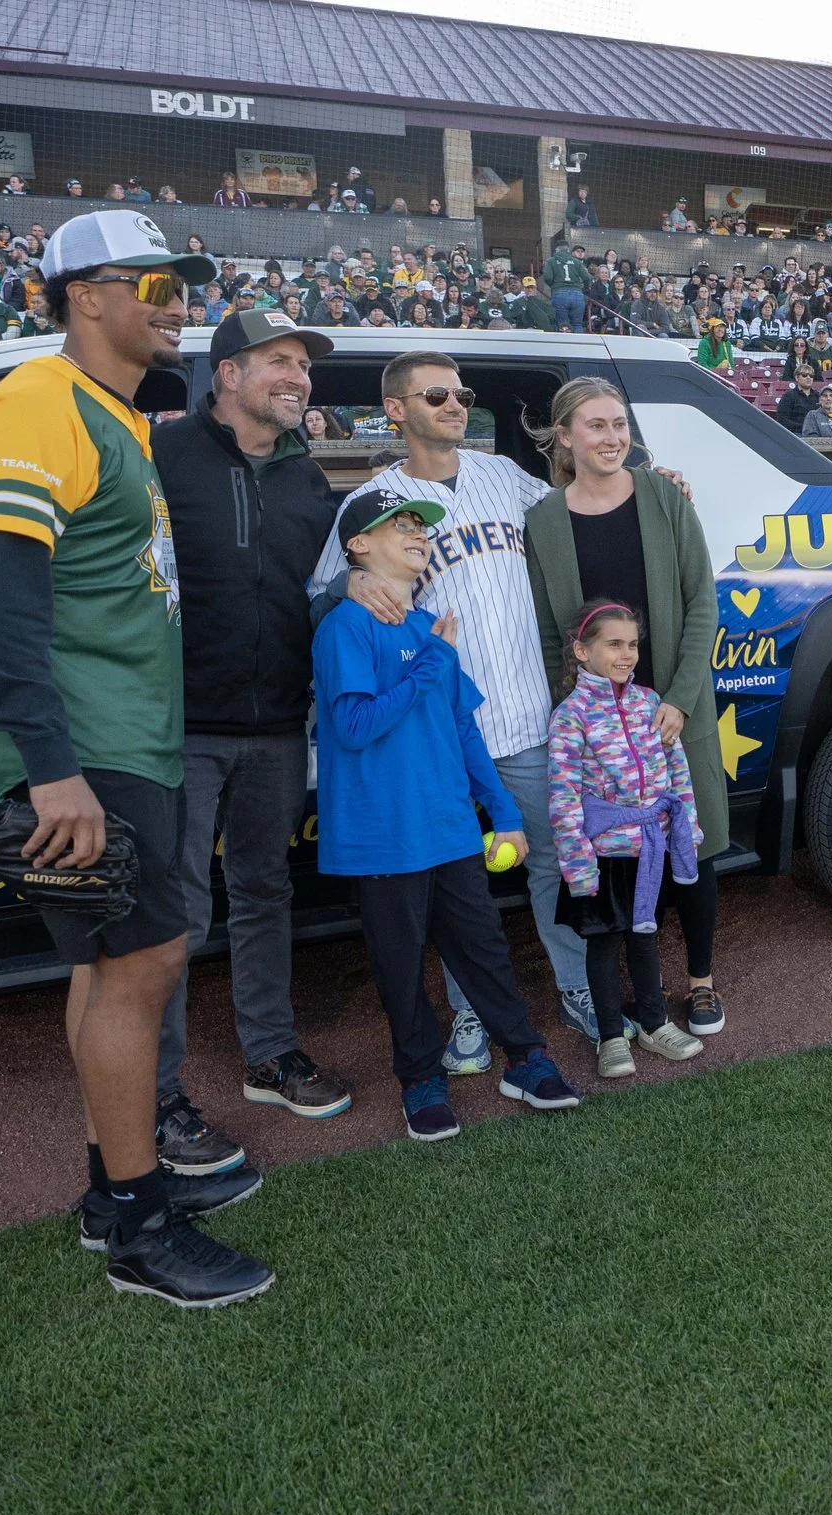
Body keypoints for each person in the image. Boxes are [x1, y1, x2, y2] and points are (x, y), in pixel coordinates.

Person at [0, 209, 274, 1308]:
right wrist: (51, 766)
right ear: (85, 294)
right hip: (85, 749)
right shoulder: (36, 403)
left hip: (125, 735)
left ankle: (109, 1193)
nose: (174, 302)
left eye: (180, 284)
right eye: (152, 283)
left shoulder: (114, 418)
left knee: (110, 967)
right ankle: (140, 1223)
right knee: (141, 969)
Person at [309, 350, 693, 1069]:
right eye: (436, 394)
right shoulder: (377, 503)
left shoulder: (505, 478)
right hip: (438, 735)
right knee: (460, 890)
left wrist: (653, 484)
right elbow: (318, 593)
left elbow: (584, 496)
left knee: (556, 860)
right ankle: (470, 1014)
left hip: (527, 717)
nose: (455, 404)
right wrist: (346, 589)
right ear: (396, 410)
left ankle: (579, 988)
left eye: (462, 393)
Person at [313, 485, 584, 1139]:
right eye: (398, 523)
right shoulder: (344, 627)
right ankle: (420, 1078)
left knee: (485, 949)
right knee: (400, 965)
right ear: (357, 546)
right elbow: (352, 725)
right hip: (384, 838)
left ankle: (527, 1056)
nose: (417, 532)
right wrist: (431, 662)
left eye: (420, 524)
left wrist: (505, 812)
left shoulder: (423, 627)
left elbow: (465, 732)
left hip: (451, 827)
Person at [148, 307, 356, 1143]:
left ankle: (269, 1054)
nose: (297, 378)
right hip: (180, 729)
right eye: (278, 360)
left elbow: (333, 581)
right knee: (175, 914)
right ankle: (156, 1095)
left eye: (302, 365)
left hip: (277, 727)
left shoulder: (308, 478)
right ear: (227, 373)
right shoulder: (159, 456)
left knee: (266, 892)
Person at [522, 377, 731, 1039]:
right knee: (617, 862)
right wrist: (581, 723)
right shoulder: (545, 521)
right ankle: (631, 1001)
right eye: (595, 426)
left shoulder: (664, 495)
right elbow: (554, 633)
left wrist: (679, 701)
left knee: (692, 849)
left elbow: (703, 601)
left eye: (619, 424)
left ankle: (699, 983)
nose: (611, 437)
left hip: (674, 712)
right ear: (565, 437)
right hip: (600, 733)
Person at [546, 601, 709, 1078]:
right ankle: (612, 1037)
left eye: (633, 644)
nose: (627, 654)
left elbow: (677, 772)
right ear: (582, 651)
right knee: (603, 943)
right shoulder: (570, 716)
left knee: (646, 936)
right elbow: (563, 796)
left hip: (651, 850)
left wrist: (687, 830)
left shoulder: (649, 702)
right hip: (603, 856)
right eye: (614, 644)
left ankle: (655, 1025)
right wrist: (578, 865)